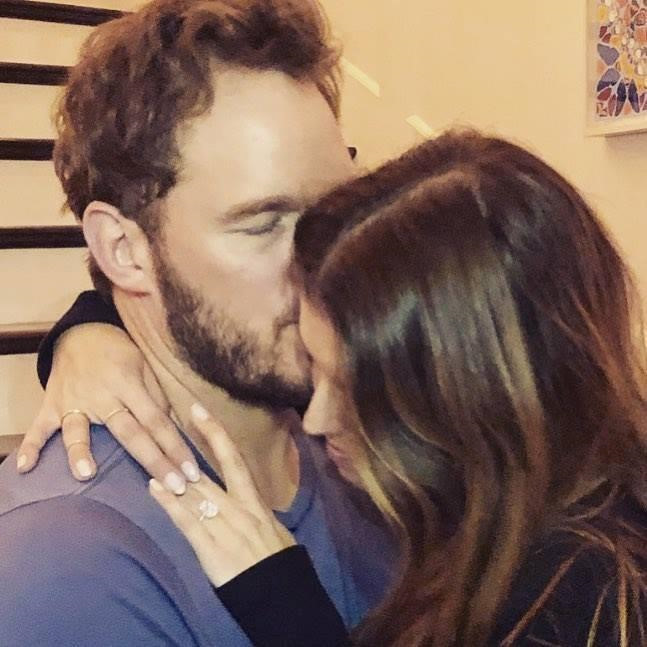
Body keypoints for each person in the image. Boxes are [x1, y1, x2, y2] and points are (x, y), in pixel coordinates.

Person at [33, 130, 647, 646]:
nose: (316, 417)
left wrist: (288, 610)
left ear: (467, 385)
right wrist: (89, 328)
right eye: (261, 223)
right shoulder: (542, 485)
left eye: (352, 385)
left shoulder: (581, 596)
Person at [0, 1, 394, 644]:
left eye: (334, 214)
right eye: (264, 225)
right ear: (124, 250)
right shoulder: (65, 570)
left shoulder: (361, 435)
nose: (327, 266)